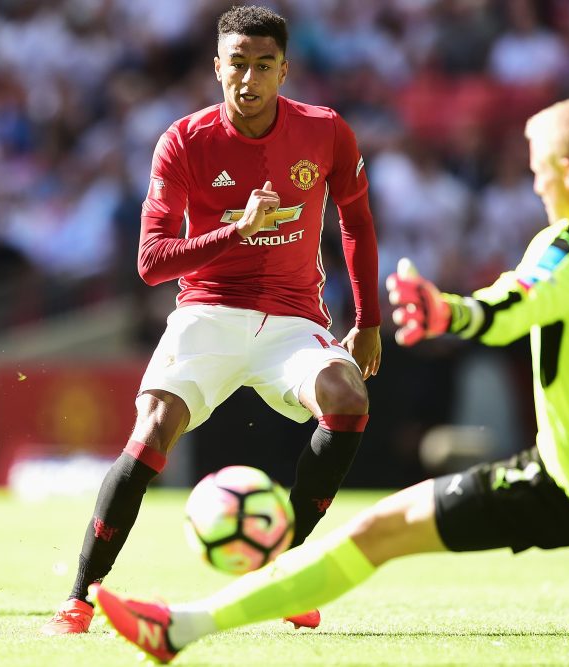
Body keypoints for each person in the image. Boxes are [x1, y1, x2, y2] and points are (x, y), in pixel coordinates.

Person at [88, 95, 569, 662]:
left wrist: (443, 309)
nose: (534, 185)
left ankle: (181, 629)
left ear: (566, 170)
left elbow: (504, 311)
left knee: (378, 530)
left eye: (538, 172)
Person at [40, 6, 381, 635]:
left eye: (263, 66)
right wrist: (236, 228)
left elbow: (356, 223)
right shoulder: (183, 141)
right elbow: (150, 263)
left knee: (348, 398)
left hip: (291, 320)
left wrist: (368, 319)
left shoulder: (326, 131)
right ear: (216, 67)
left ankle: (280, 573)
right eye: (237, 66)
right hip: (208, 312)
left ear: (285, 69)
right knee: (153, 429)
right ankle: (80, 595)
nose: (248, 81)